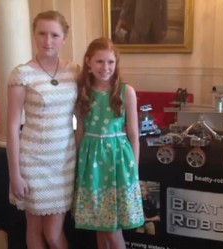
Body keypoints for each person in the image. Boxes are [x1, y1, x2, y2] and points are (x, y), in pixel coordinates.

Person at [6, 10, 78, 249]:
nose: (48, 41)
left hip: (64, 161)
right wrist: (15, 174)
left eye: (55, 35)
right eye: (42, 33)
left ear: (64, 39)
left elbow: (84, 117)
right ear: (34, 36)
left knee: (54, 234)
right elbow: (13, 125)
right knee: (35, 229)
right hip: (33, 161)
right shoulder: (22, 73)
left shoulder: (75, 71)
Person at [74, 37, 144, 249]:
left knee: (113, 231)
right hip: (91, 161)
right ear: (88, 62)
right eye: (99, 62)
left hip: (118, 161)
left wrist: (135, 170)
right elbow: (81, 131)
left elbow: (133, 133)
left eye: (110, 62)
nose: (105, 67)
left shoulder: (125, 92)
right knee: (99, 224)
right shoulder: (82, 92)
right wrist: (78, 163)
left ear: (116, 63)